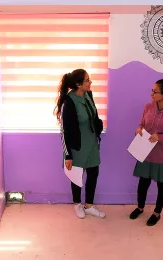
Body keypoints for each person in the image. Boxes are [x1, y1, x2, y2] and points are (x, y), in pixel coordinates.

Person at [129, 77, 163, 226]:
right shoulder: (148, 107)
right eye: (152, 90)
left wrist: (159, 137)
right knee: (143, 182)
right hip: (144, 152)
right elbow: (141, 124)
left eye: (155, 91)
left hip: (162, 156)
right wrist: (139, 129)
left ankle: (157, 213)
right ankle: (140, 208)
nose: (151, 94)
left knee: (162, 185)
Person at [54, 69, 106, 219]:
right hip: (76, 147)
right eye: (87, 80)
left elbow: (93, 116)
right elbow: (64, 131)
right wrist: (68, 155)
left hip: (91, 144)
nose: (90, 83)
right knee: (76, 177)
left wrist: (98, 126)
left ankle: (89, 205)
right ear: (78, 84)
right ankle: (77, 204)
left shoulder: (88, 95)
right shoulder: (68, 102)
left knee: (93, 174)